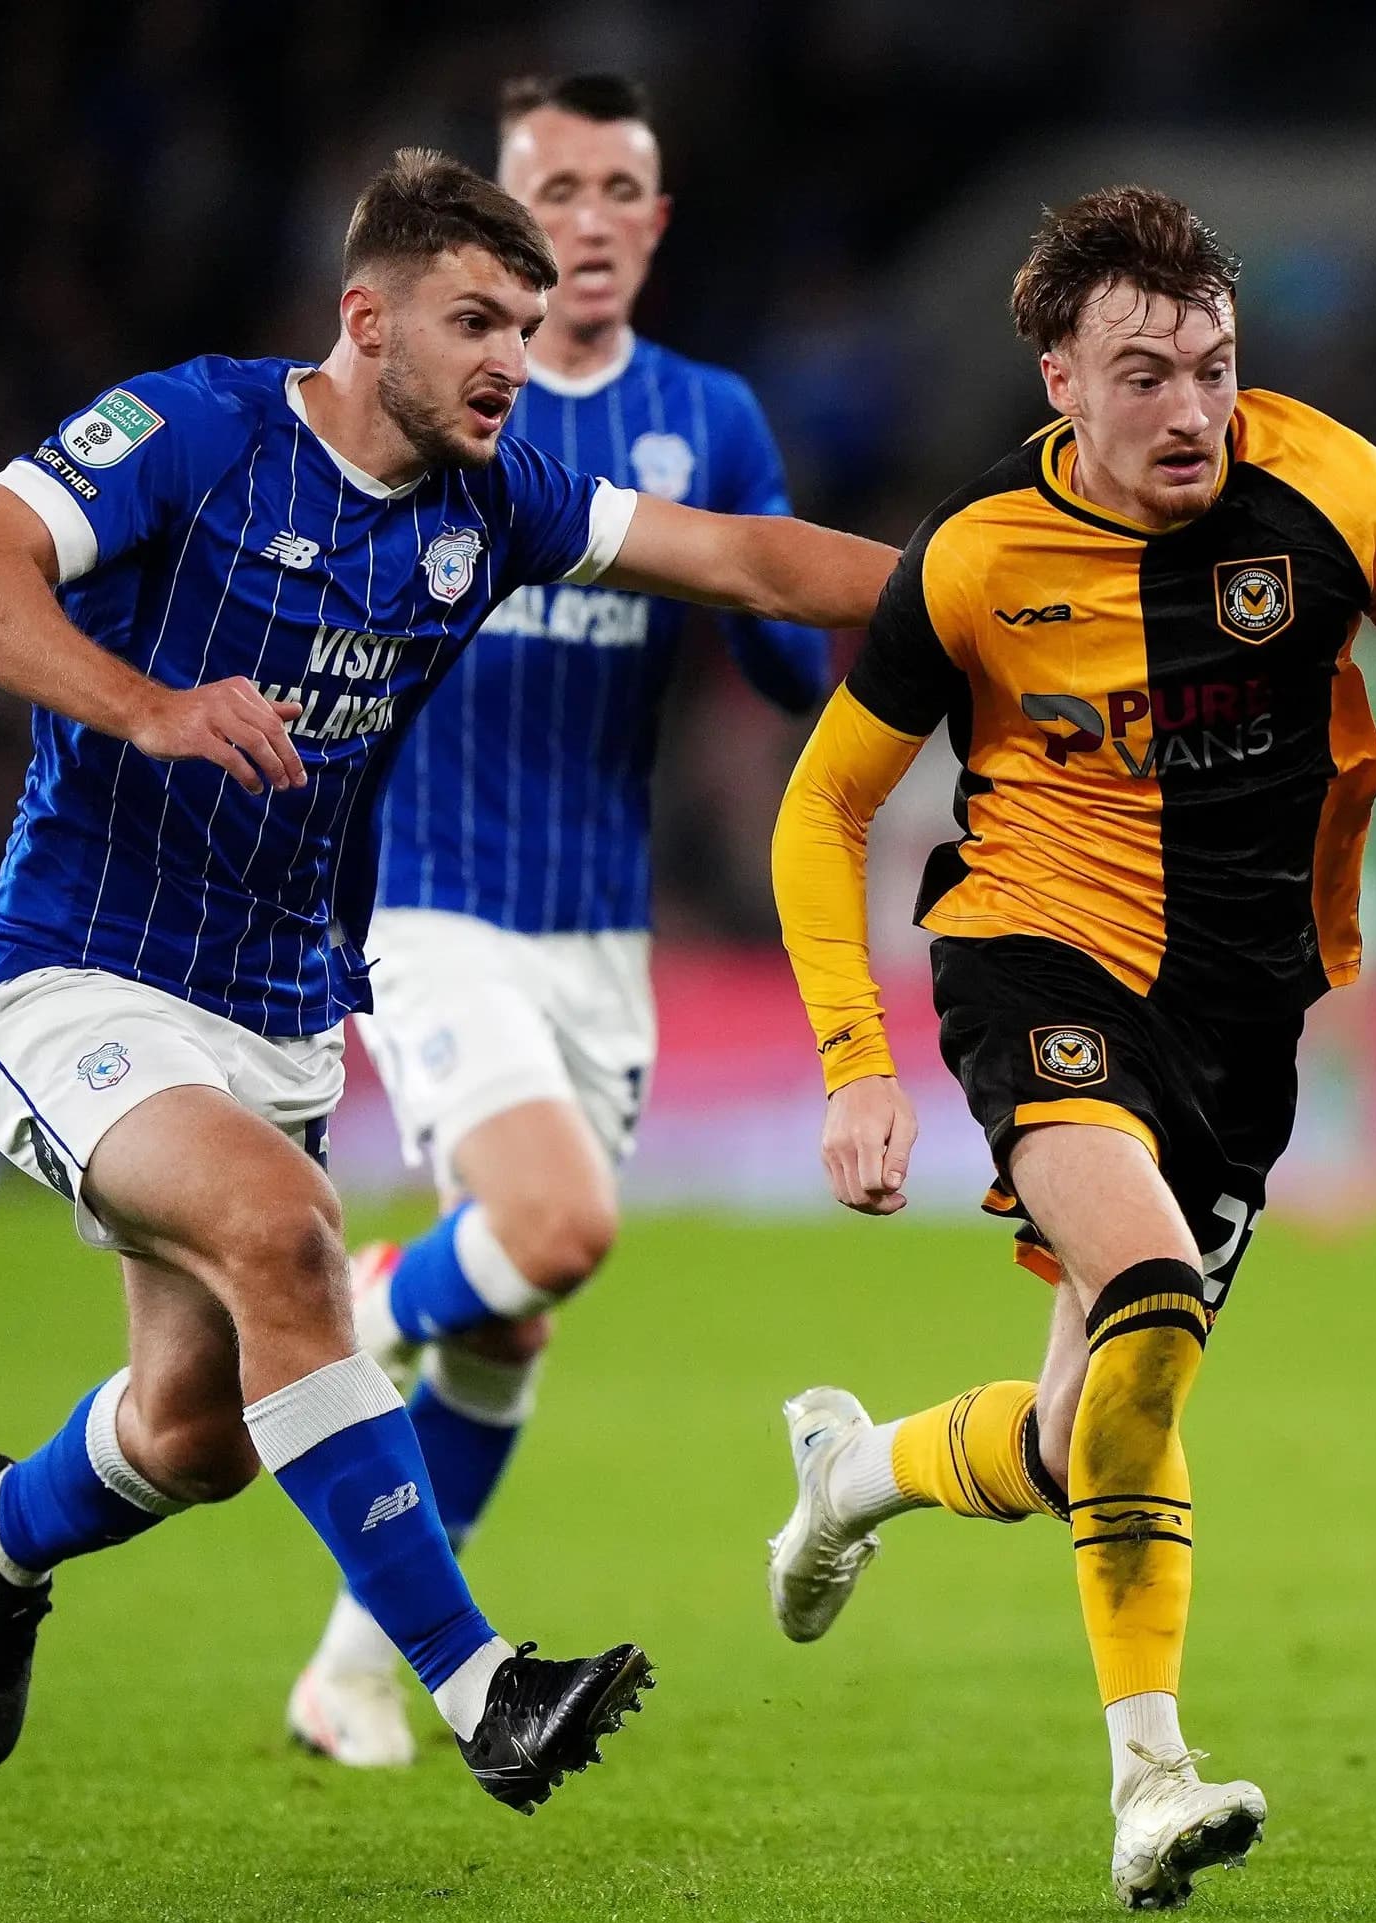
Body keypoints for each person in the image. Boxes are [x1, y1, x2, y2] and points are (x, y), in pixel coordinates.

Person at [0, 149, 892, 1812]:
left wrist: (1020, 584)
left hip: (280, 1008)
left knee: (199, 1431)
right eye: (476, 321)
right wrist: (146, 703)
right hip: (73, 974)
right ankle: (481, 1681)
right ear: (367, 320)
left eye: (527, 321)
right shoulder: (196, 432)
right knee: (287, 1234)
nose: (516, 355)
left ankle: (2, 1530)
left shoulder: (492, 499)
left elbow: (746, 563)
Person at [758, 187, 1376, 1908]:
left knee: (1081, 1429)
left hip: (1247, 1016)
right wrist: (851, 1058)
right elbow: (823, 809)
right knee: (1157, 1298)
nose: (1190, 409)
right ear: (1061, 379)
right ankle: (1151, 1778)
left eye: (1212, 364)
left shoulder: (1334, 489)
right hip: (1035, 956)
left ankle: (853, 1473)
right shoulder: (975, 561)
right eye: (1143, 374)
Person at [285, 73, 836, 1772]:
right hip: (433, 906)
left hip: (602, 934)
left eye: (620, 190)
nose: (589, 219)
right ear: (500, 226)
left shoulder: (709, 417)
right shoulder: (451, 405)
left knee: (514, 1315)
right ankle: (339, 1300)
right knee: (551, 1223)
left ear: (656, 225)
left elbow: (778, 653)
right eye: (556, 191)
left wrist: (829, 662)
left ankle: (350, 1672)